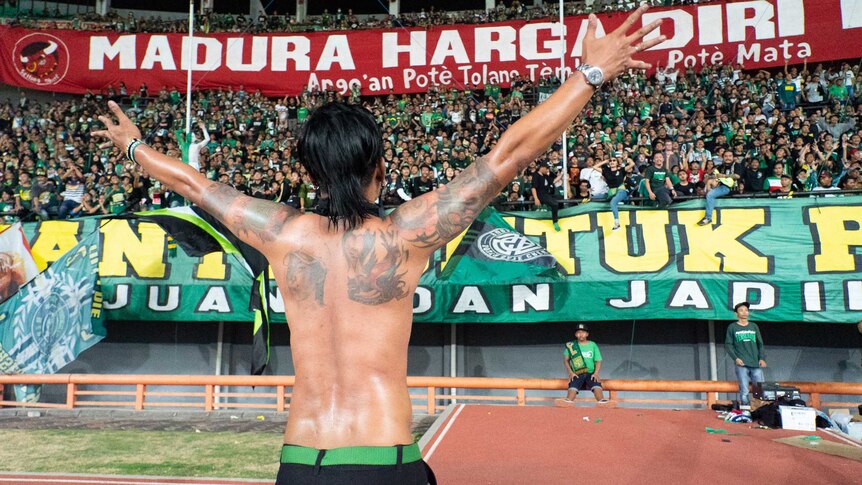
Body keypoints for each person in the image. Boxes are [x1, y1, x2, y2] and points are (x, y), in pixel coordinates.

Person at [92, 7, 663, 483]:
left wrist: (133, 147)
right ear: (379, 166)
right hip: (384, 458)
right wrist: (589, 73)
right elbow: (509, 155)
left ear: (311, 170)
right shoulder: (405, 235)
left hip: (301, 463)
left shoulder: (280, 234)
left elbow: (197, 185)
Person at [725, 302, 767, 409]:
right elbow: (728, 345)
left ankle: (759, 409)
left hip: (755, 363)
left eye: (746, 310)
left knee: (759, 388)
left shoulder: (754, 326)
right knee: (744, 388)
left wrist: (762, 358)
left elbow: (760, 344)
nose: (744, 312)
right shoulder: (732, 327)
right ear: (736, 314)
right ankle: (746, 409)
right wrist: (735, 358)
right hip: (742, 363)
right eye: (741, 310)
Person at [559, 323, 608, 406]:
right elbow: (566, 360)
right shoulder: (571, 346)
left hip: (591, 373)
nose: (581, 334)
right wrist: (570, 372)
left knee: (596, 385)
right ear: (575, 334)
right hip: (577, 373)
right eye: (578, 332)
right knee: (573, 385)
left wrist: (596, 373)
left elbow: (598, 361)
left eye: (583, 332)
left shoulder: (593, 345)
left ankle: (601, 401)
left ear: (587, 334)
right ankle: (568, 401)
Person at [531, 163, 563, 231]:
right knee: (554, 204)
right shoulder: (536, 175)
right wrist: (536, 198)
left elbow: (553, 181)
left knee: (560, 197)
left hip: (547, 194)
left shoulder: (545, 176)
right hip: (540, 194)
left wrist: (561, 174)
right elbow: (533, 188)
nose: (547, 170)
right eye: (546, 169)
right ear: (542, 167)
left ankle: (561, 213)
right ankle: (555, 221)